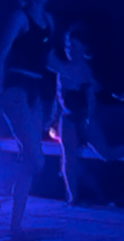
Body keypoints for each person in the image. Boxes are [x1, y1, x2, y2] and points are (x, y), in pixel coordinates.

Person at [0, 0, 56, 238]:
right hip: (16, 87)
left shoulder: (49, 21)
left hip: (36, 91)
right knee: (36, 160)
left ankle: (15, 226)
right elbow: (0, 55)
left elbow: (49, 61)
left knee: (29, 158)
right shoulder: (19, 17)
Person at [48, 23, 111, 206]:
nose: (69, 49)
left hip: (82, 117)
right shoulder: (63, 68)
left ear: (83, 48)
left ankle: (94, 192)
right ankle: (73, 195)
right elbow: (58, 96)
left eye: (74, 46)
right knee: (69, 157)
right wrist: (53, 118)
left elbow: (91, 100)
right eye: (68, 45)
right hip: (68, 118)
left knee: (101, 153)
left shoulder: (86, 71)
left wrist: (89, 119)